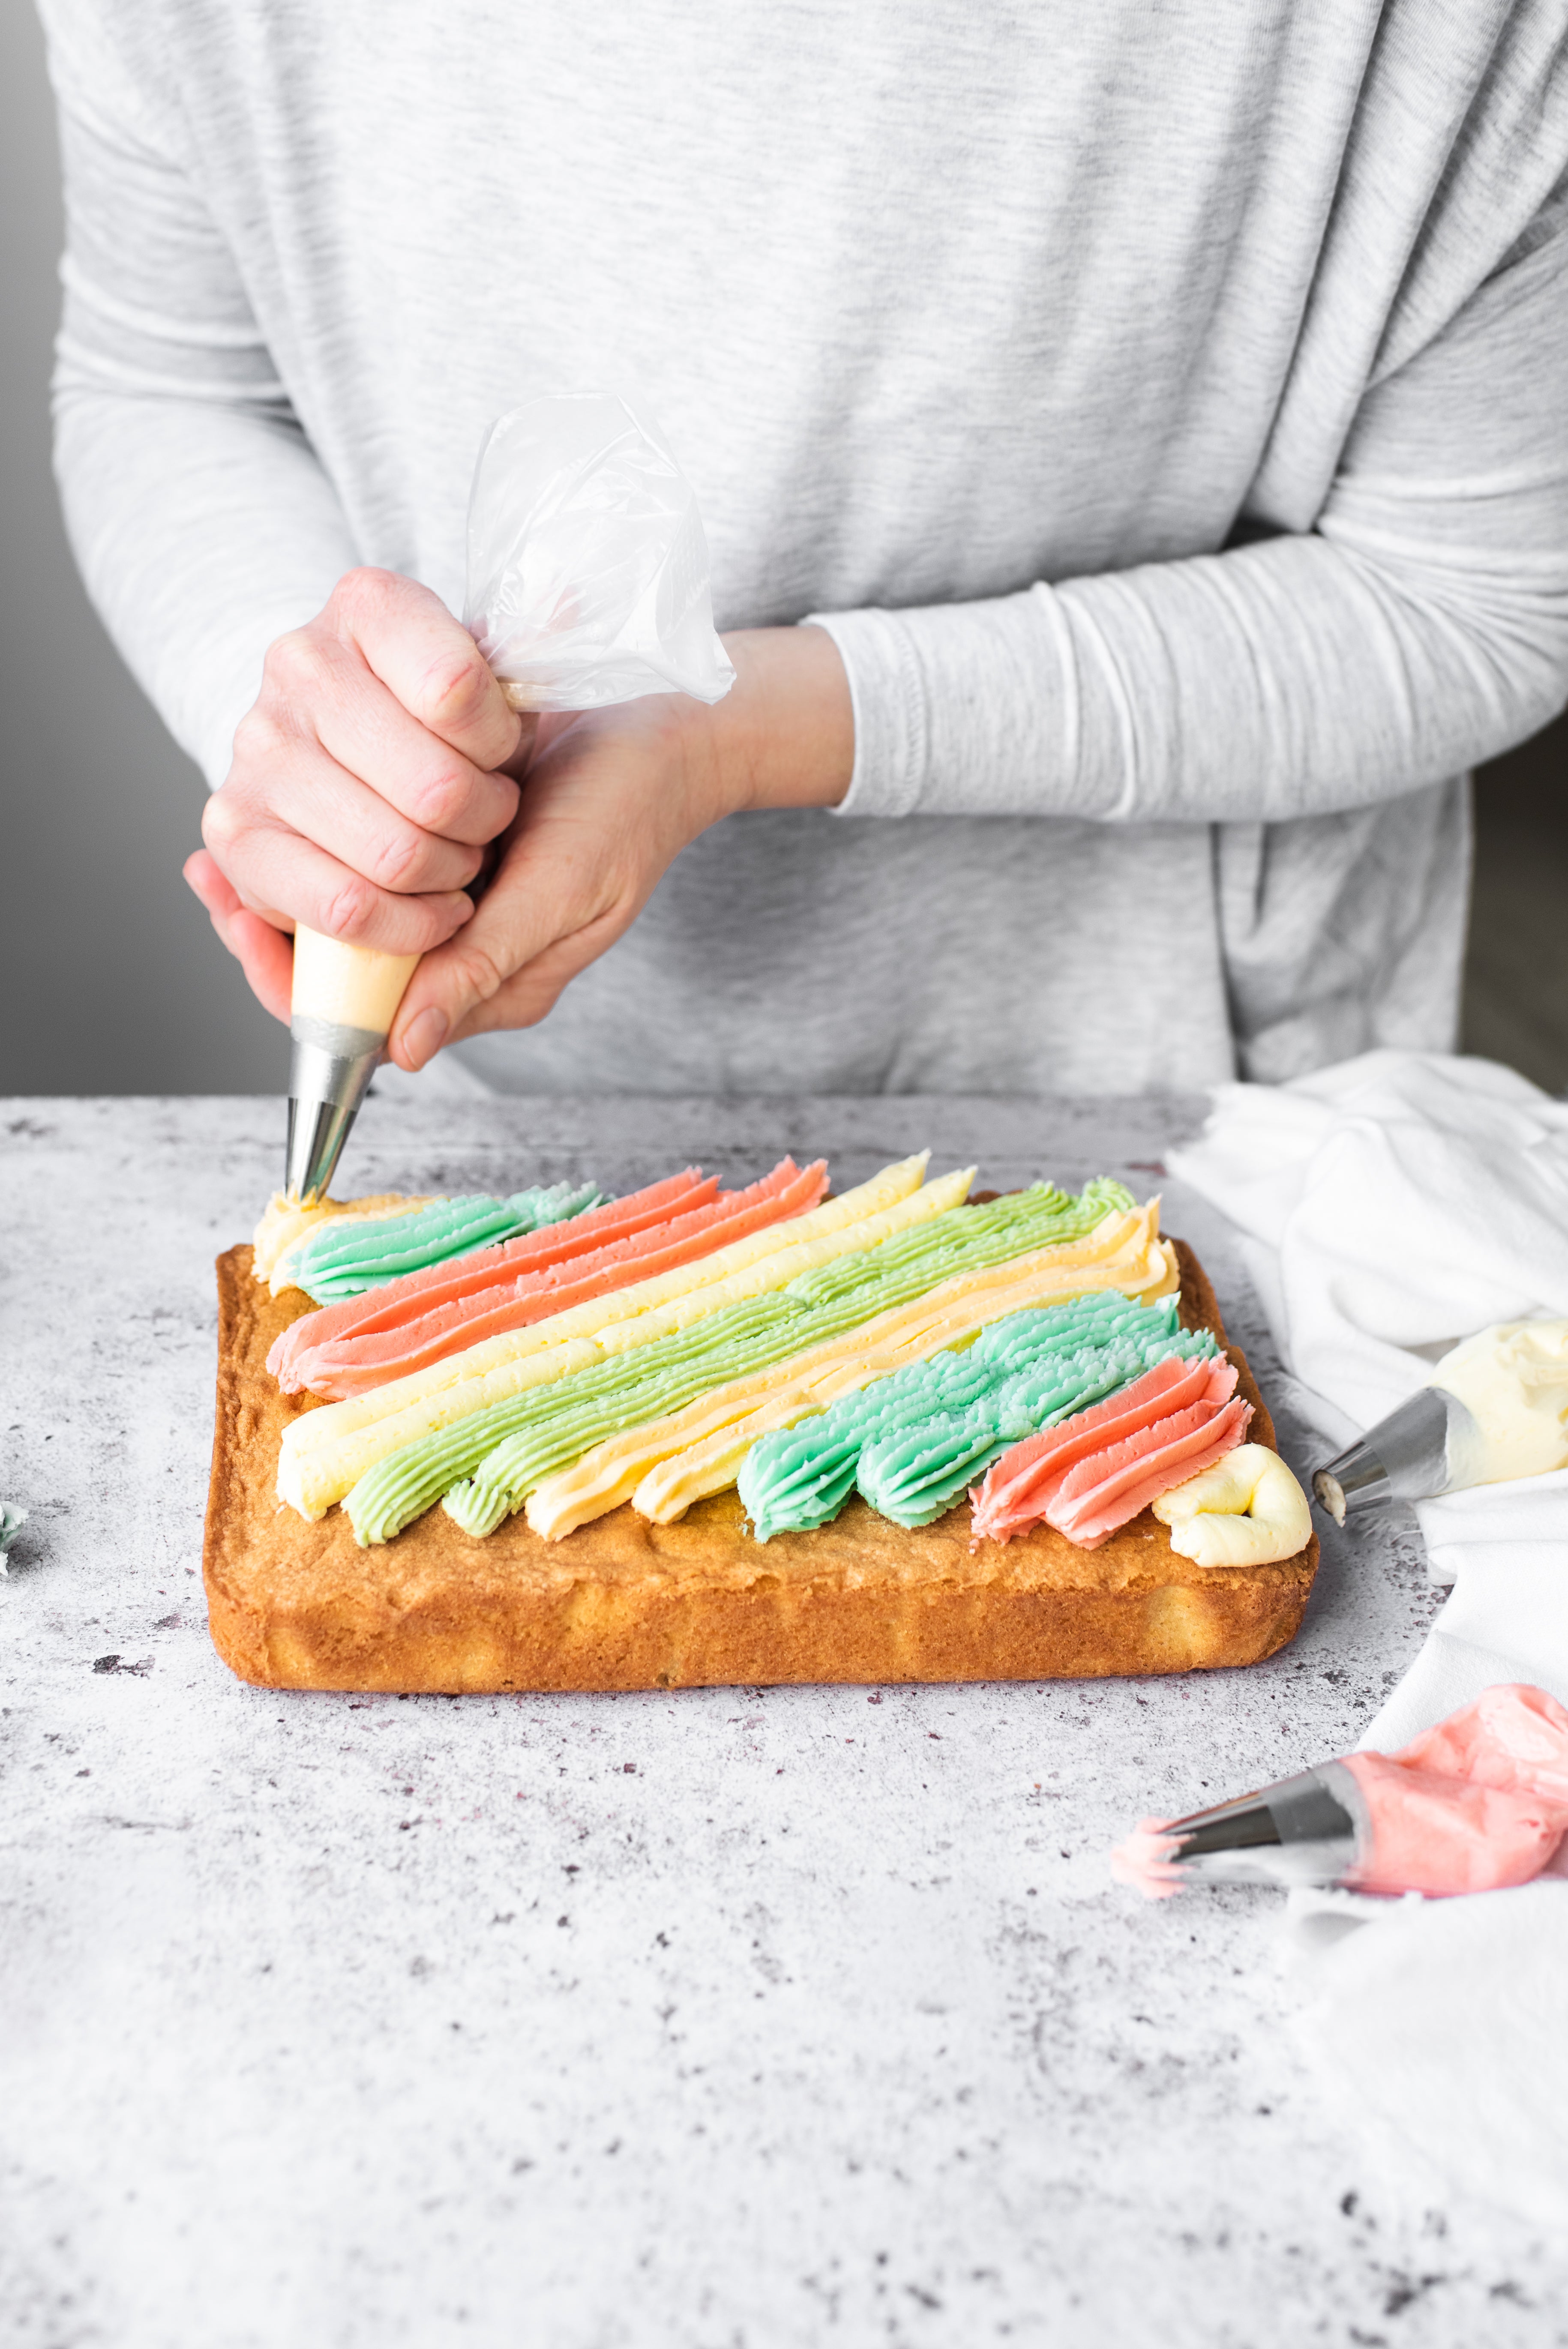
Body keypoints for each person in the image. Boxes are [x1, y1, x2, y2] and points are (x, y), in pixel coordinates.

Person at [39, 1, 1568, 1099]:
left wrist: (726, 735)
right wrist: (328, 744)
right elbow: (169, 385)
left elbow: (1481, 594)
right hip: (470, 1099)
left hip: (1182, 1100)